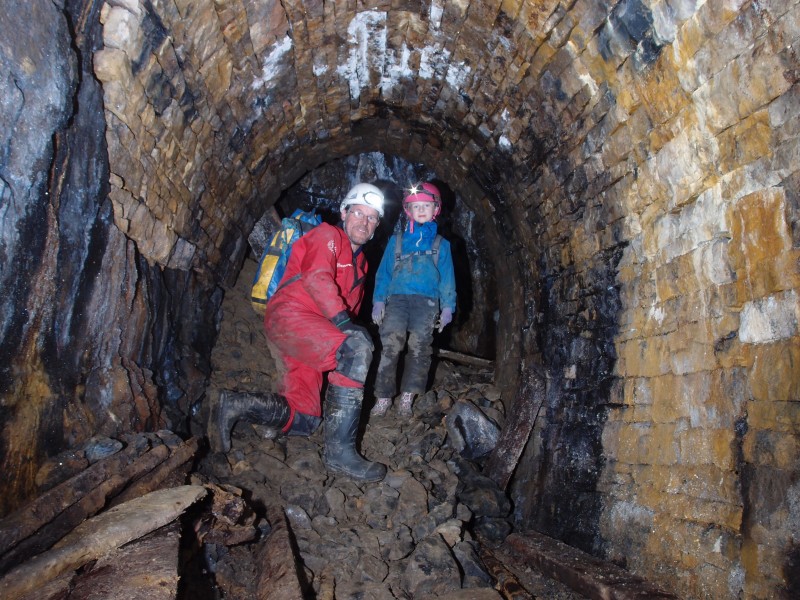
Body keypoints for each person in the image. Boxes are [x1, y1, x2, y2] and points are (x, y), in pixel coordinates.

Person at [211, 183, 387, 482]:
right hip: (291, 317)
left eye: (372, 218)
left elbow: (350, 309)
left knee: (305, 419)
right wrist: (346, 330)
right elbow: (317, 278)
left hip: (313, 335)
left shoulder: (362, 264)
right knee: (356, 349)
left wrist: (342, 333)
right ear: (344, 213)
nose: (364, 222)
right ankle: (340, 455)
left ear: (376, 226)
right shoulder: (328, 236)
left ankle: (236, 405)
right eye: (359, 213)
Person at [369, 182, 456, 418]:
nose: (421, 210)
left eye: (426, 205)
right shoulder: (396, 241)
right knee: (390, 346)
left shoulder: (441, 245)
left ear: (435, 209)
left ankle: (407, 396)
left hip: (427, 303)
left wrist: (448, 307)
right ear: (408, 210)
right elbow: (384, 273)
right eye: (415, 206)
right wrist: (379, 301)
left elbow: (447, 278)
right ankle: (384, 396)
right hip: (396, 300)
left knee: (419, 349)